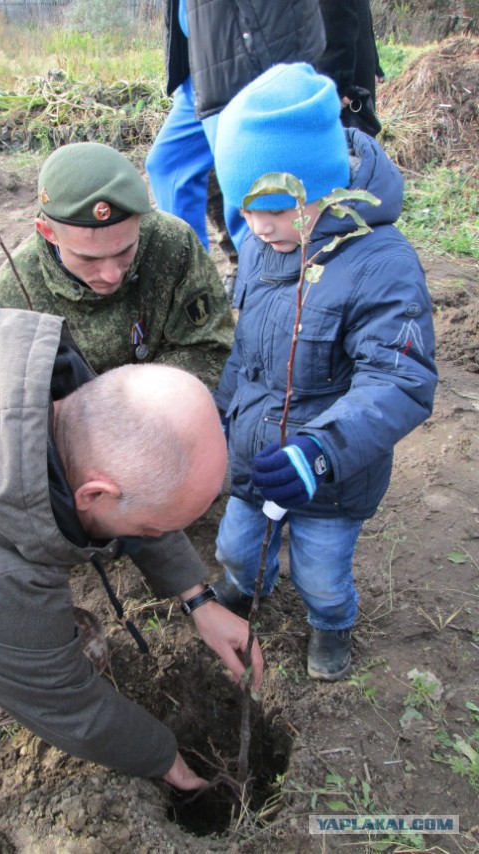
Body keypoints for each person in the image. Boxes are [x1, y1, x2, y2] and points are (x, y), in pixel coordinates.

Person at [0, 309, 263, 854]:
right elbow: (65, 704)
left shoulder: (35, 383)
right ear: (94, 496)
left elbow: (133, 482)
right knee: (72, 650)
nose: (156, 535)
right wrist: (163, 758)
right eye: (151, 528)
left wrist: (197, 597)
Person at [211, 63, 437, 681]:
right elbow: (247, 355)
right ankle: (245, 585)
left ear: (324, 187)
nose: (257, 227)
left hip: (331, 476)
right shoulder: (264, 247)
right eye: (246, 208)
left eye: (278, 209)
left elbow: (399, 379)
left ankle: (331, 623)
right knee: (236, 545)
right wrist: (219, 415)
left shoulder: (382, 263)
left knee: (321, 570)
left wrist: (320, 453)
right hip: (257, 457)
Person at [0, 142, 235, 389]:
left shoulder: (173, 243)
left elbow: (210, 348)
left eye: (125, 251)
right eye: (88, 259)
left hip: (168, 410)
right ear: (48, 232)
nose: (111, 274)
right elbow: (13, 400)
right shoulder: (13, 293)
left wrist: (134, 396)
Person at [144, 0, 326, 257]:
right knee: (168, 165)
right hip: (198, 61)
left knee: (248, 191)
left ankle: (265, 284)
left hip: (244, 54)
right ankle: (189, 279)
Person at [317, 0, 385, 136]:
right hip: (347, 65)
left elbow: (335, 10)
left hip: (339, 79)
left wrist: (337, 82)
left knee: (352, 146)